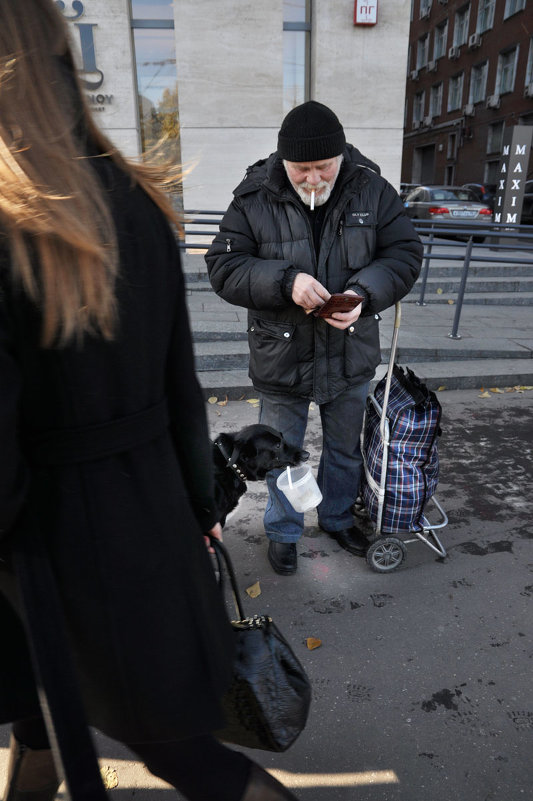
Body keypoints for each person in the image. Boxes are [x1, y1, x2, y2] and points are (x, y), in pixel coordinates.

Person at [0, 2, 298, 800]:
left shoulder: (16, 218)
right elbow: (180, 386)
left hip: (50, 550)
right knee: (46, 718)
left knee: (187, 757)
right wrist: (196, 499)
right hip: (142, 517)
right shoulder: (130, 198)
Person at [206, 101, 423, 576]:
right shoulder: (253, 196)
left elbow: (404, 253)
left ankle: (338, 517)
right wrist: (286, 282)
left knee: (345, 447)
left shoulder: (373, 189)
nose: (310, 178)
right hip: (281, 351)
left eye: (321, 167)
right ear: (283, 161)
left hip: (349, 349)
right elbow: (223, 267)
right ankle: (284, 533)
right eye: (299, 168)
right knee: (280, 454)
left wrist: (364, 294)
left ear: (340, 155)